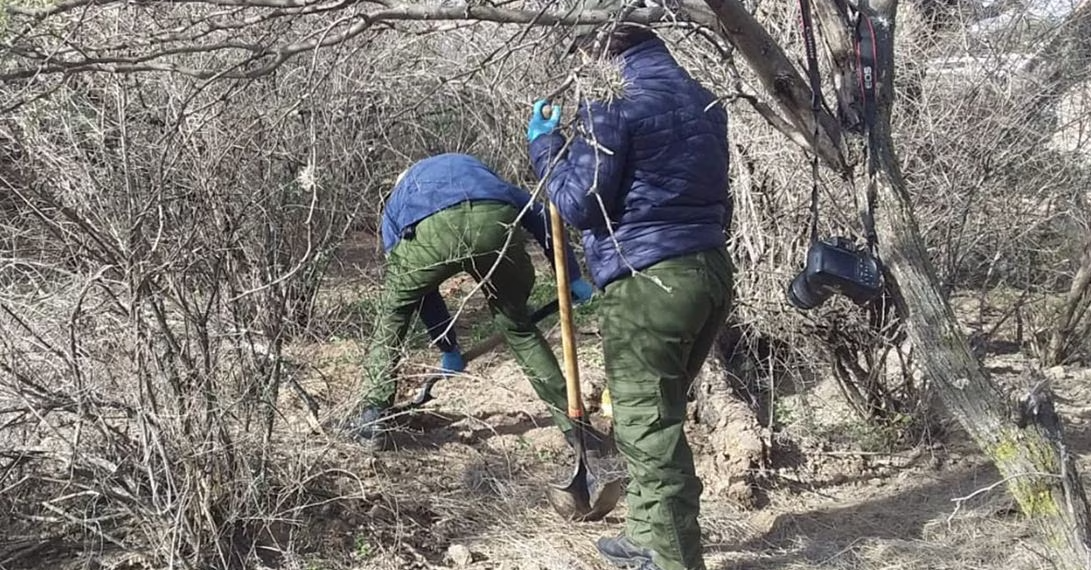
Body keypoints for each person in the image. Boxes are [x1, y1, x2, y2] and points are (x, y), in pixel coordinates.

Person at [526, 4, 735, 570]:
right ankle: (646, 532)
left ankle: (670, 557)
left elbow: (579, 204)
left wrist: (546, 148)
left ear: (600, 48)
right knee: (655, 411)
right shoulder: (703, 96)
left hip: (649, 281)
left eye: (583, 54)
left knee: (648, 425)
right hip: (709, 270)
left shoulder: (613, 99)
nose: (582, 65)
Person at [346, 152, 597, 453]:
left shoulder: (396, 206)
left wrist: (448, 347)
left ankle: (373, 418)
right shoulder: (481, 175)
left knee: (394, 313)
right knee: (519, 329)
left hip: (426, 237)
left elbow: (421, 295)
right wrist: (570, 275)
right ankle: (578, 431)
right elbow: (540, 215)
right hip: (494, 221)